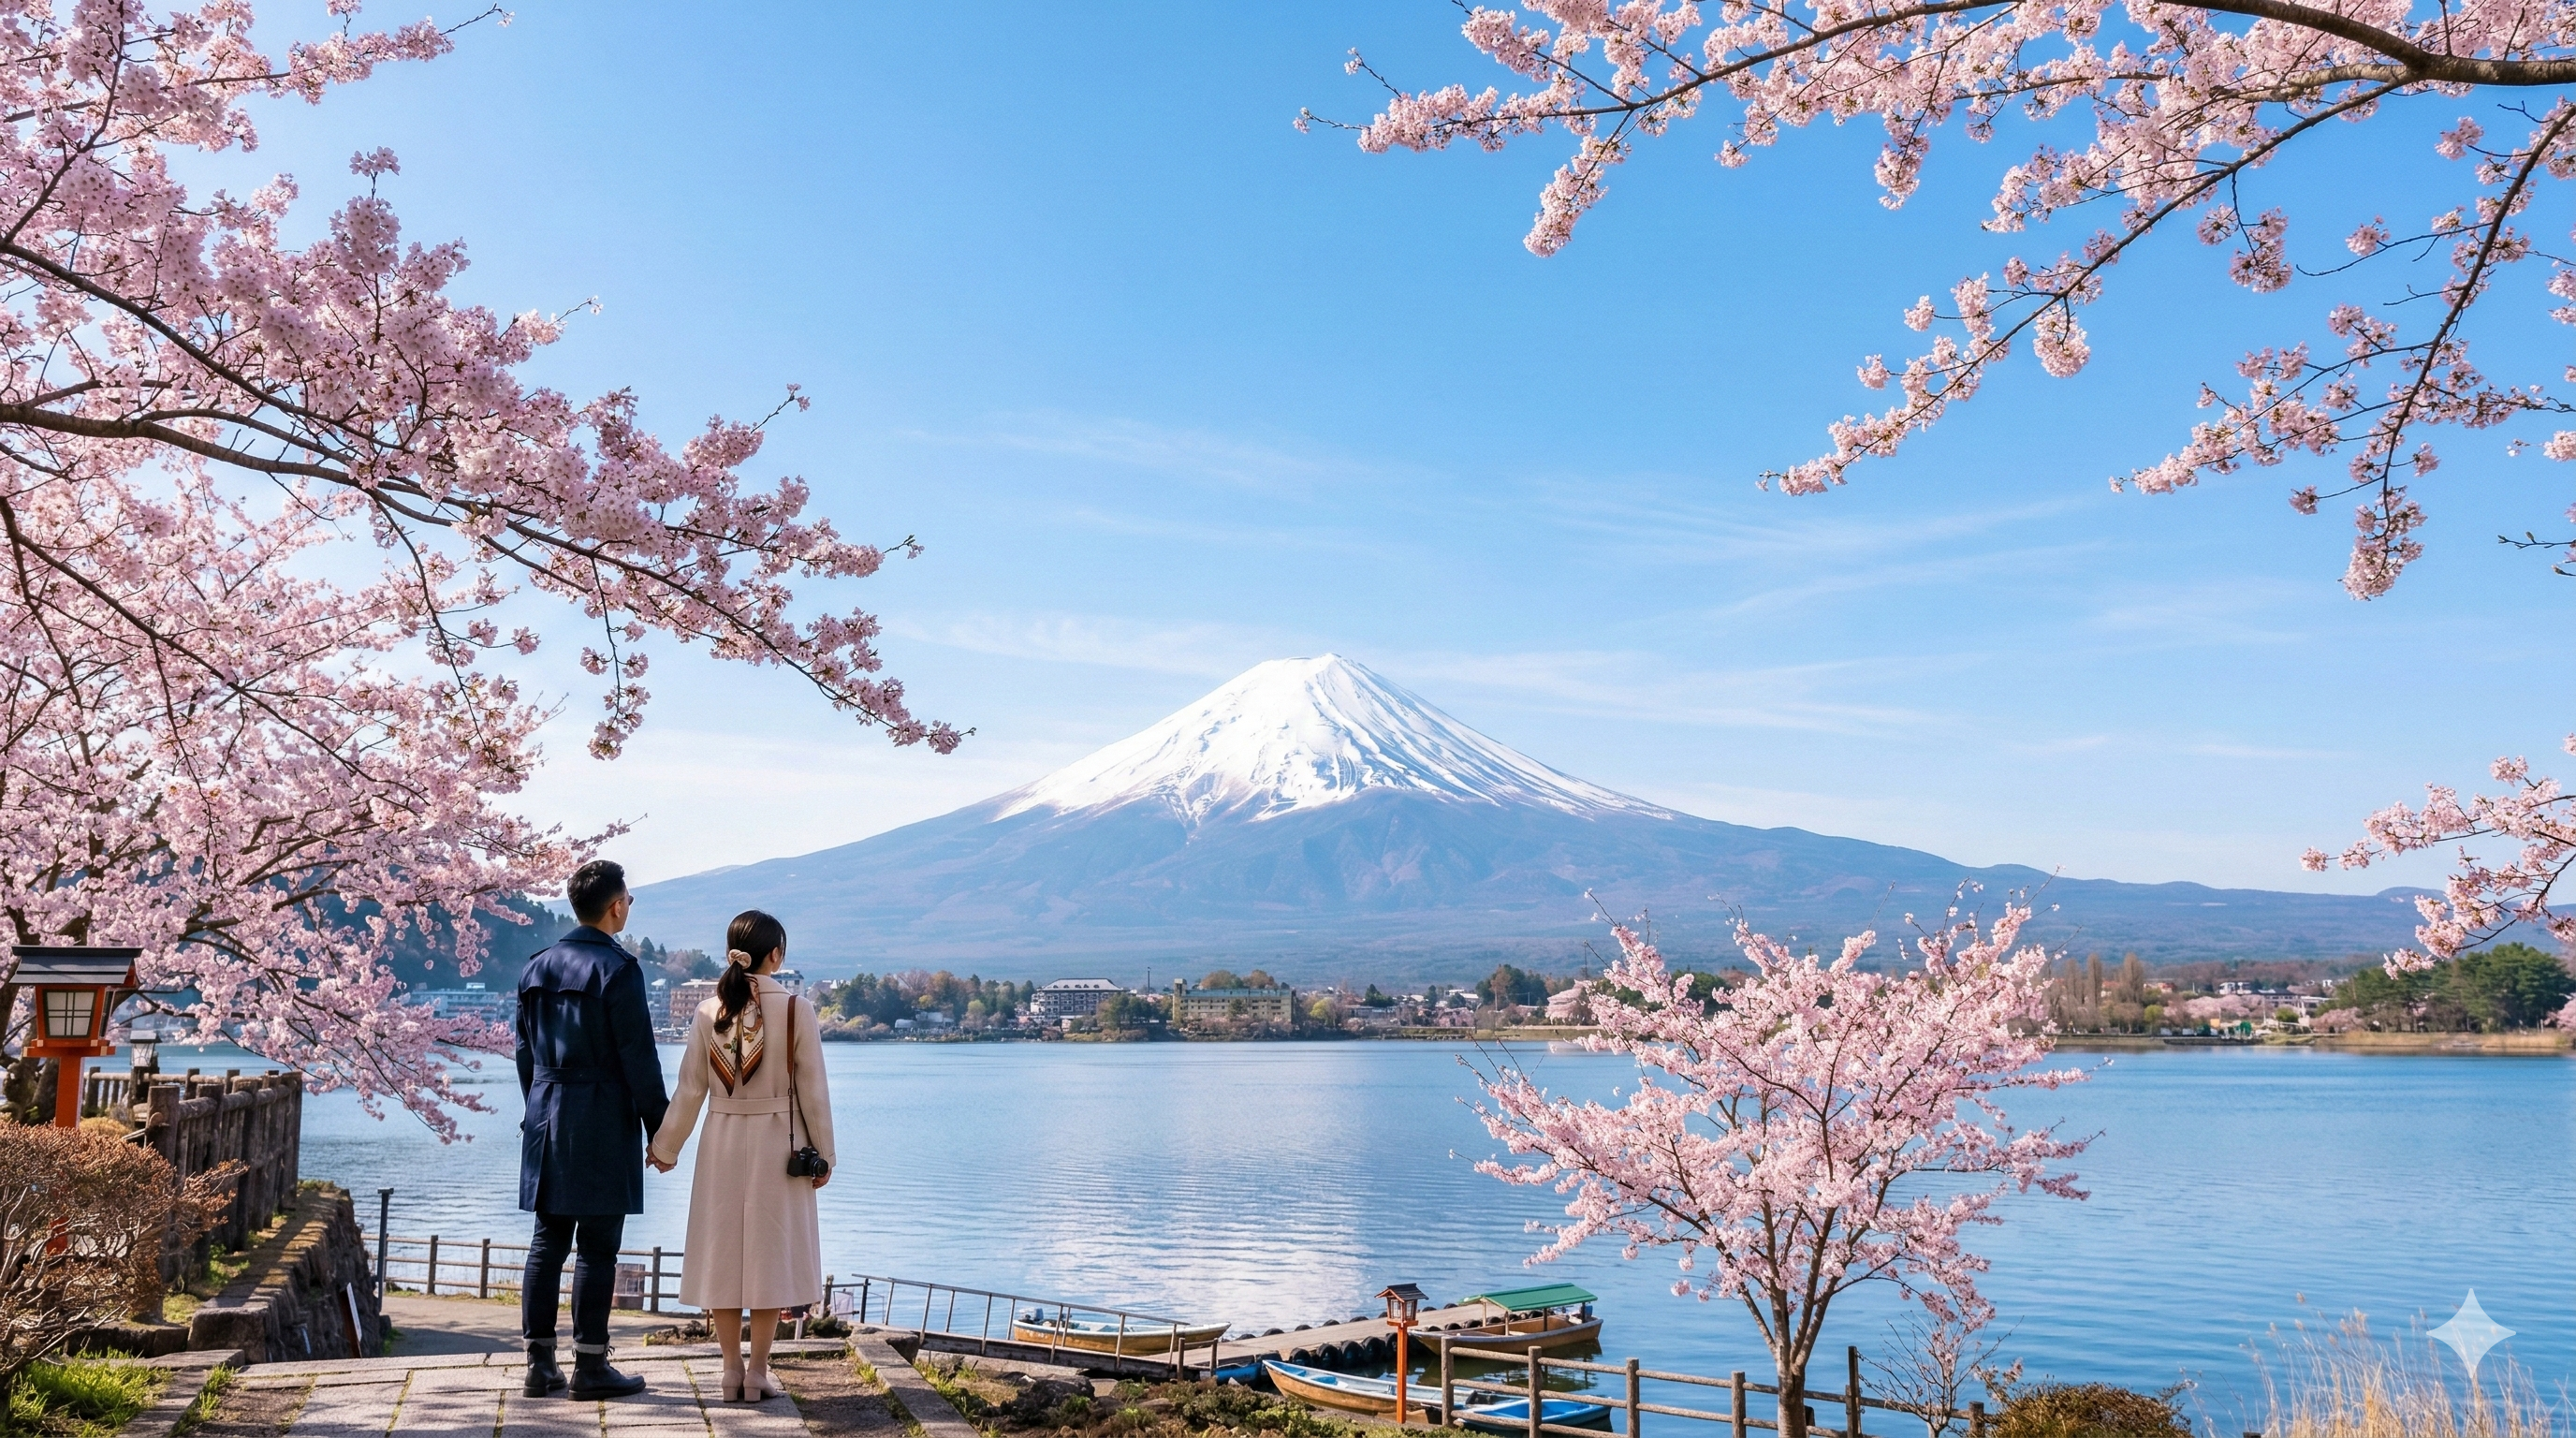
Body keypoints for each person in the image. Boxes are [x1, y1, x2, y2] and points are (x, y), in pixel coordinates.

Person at [647, 909, 835, 1403]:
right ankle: (758, 1372)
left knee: (724, 1255)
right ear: (776, 955)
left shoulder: (708, 1011)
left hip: (722, 1137)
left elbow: (690, 1089)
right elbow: (814, 1092)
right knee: (772, 1257)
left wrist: (665, 1148)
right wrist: (826, 1157)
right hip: (782, 1143)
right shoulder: (798, 1009)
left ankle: (729, 1371)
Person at [515, 859, 670, 1401]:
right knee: (598, 1247)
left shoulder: (535, 969)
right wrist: (662, 1132)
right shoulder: (619, 970)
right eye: (628, 898)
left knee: (547, 1241)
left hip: (545, 1113)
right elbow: (640, 1060)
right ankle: (589, 1367)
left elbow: (523, 1055)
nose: (629, 905)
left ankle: (539, 1365)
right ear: (615, 905)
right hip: (601, 1116)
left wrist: (538, 1107)